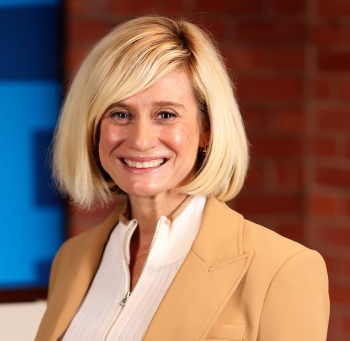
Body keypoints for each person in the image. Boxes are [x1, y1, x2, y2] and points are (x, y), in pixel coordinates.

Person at [35, 16, 329, 341]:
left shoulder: (282, 269)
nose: (141, 140)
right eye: (120, 114)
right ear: (93, 129)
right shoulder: (71, 259)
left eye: (166, 114)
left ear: (206, 129)